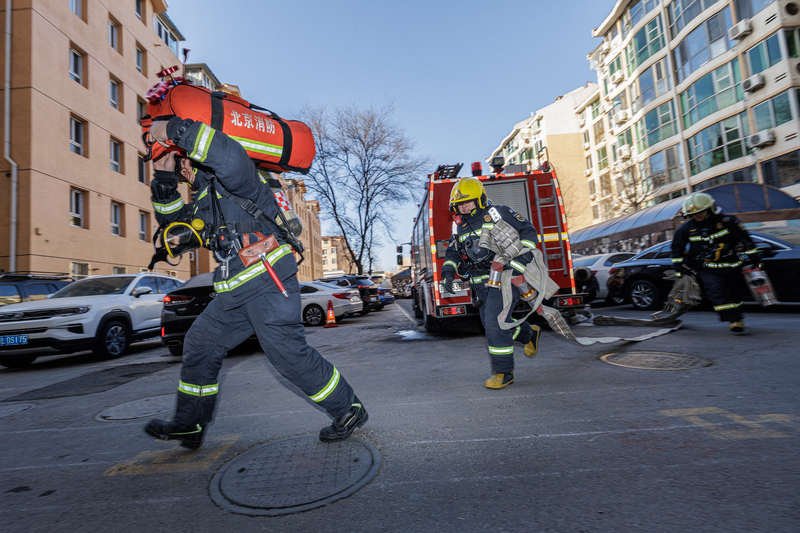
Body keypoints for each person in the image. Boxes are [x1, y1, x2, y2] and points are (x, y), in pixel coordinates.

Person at [142, 116, 367, 449]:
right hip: (234, 292)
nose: (183, 168)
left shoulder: (242, 180)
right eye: (180, 166)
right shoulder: (208, 202)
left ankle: (348, 408)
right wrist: (162, 175)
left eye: (184, 161)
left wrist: (174, 130)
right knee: (200, 345)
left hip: (268, 279)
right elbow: (174, 225)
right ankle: (190, 424)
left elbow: (226, 155)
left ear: (200, 160)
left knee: (287, 355)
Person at [441, 177, 542, 389]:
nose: (464, 207)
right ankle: (529, 333)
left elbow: (529, 233)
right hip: (480, 286)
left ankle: (503, 373)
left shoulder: (498, 214)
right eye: (460, 204)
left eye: (468, 202)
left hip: (504, 279)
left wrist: (517, 263)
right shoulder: (458, 227)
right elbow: (452, 252)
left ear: (480, 199)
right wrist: (448, 273)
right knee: (493, 323)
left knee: (495, 324)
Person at [671, 192, 760, 334]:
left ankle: (737, 318)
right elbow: (677, 249)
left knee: (734, 294)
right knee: (717, 293)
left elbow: (745, 239)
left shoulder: (728, 222)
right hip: (707, 268)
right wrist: (678, 268)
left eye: (701, 212)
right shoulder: (686, 229)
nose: (698, 216)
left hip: (732, 266)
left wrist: (755, 258)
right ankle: (731, 319)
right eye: (694, 214)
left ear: (710, 208)